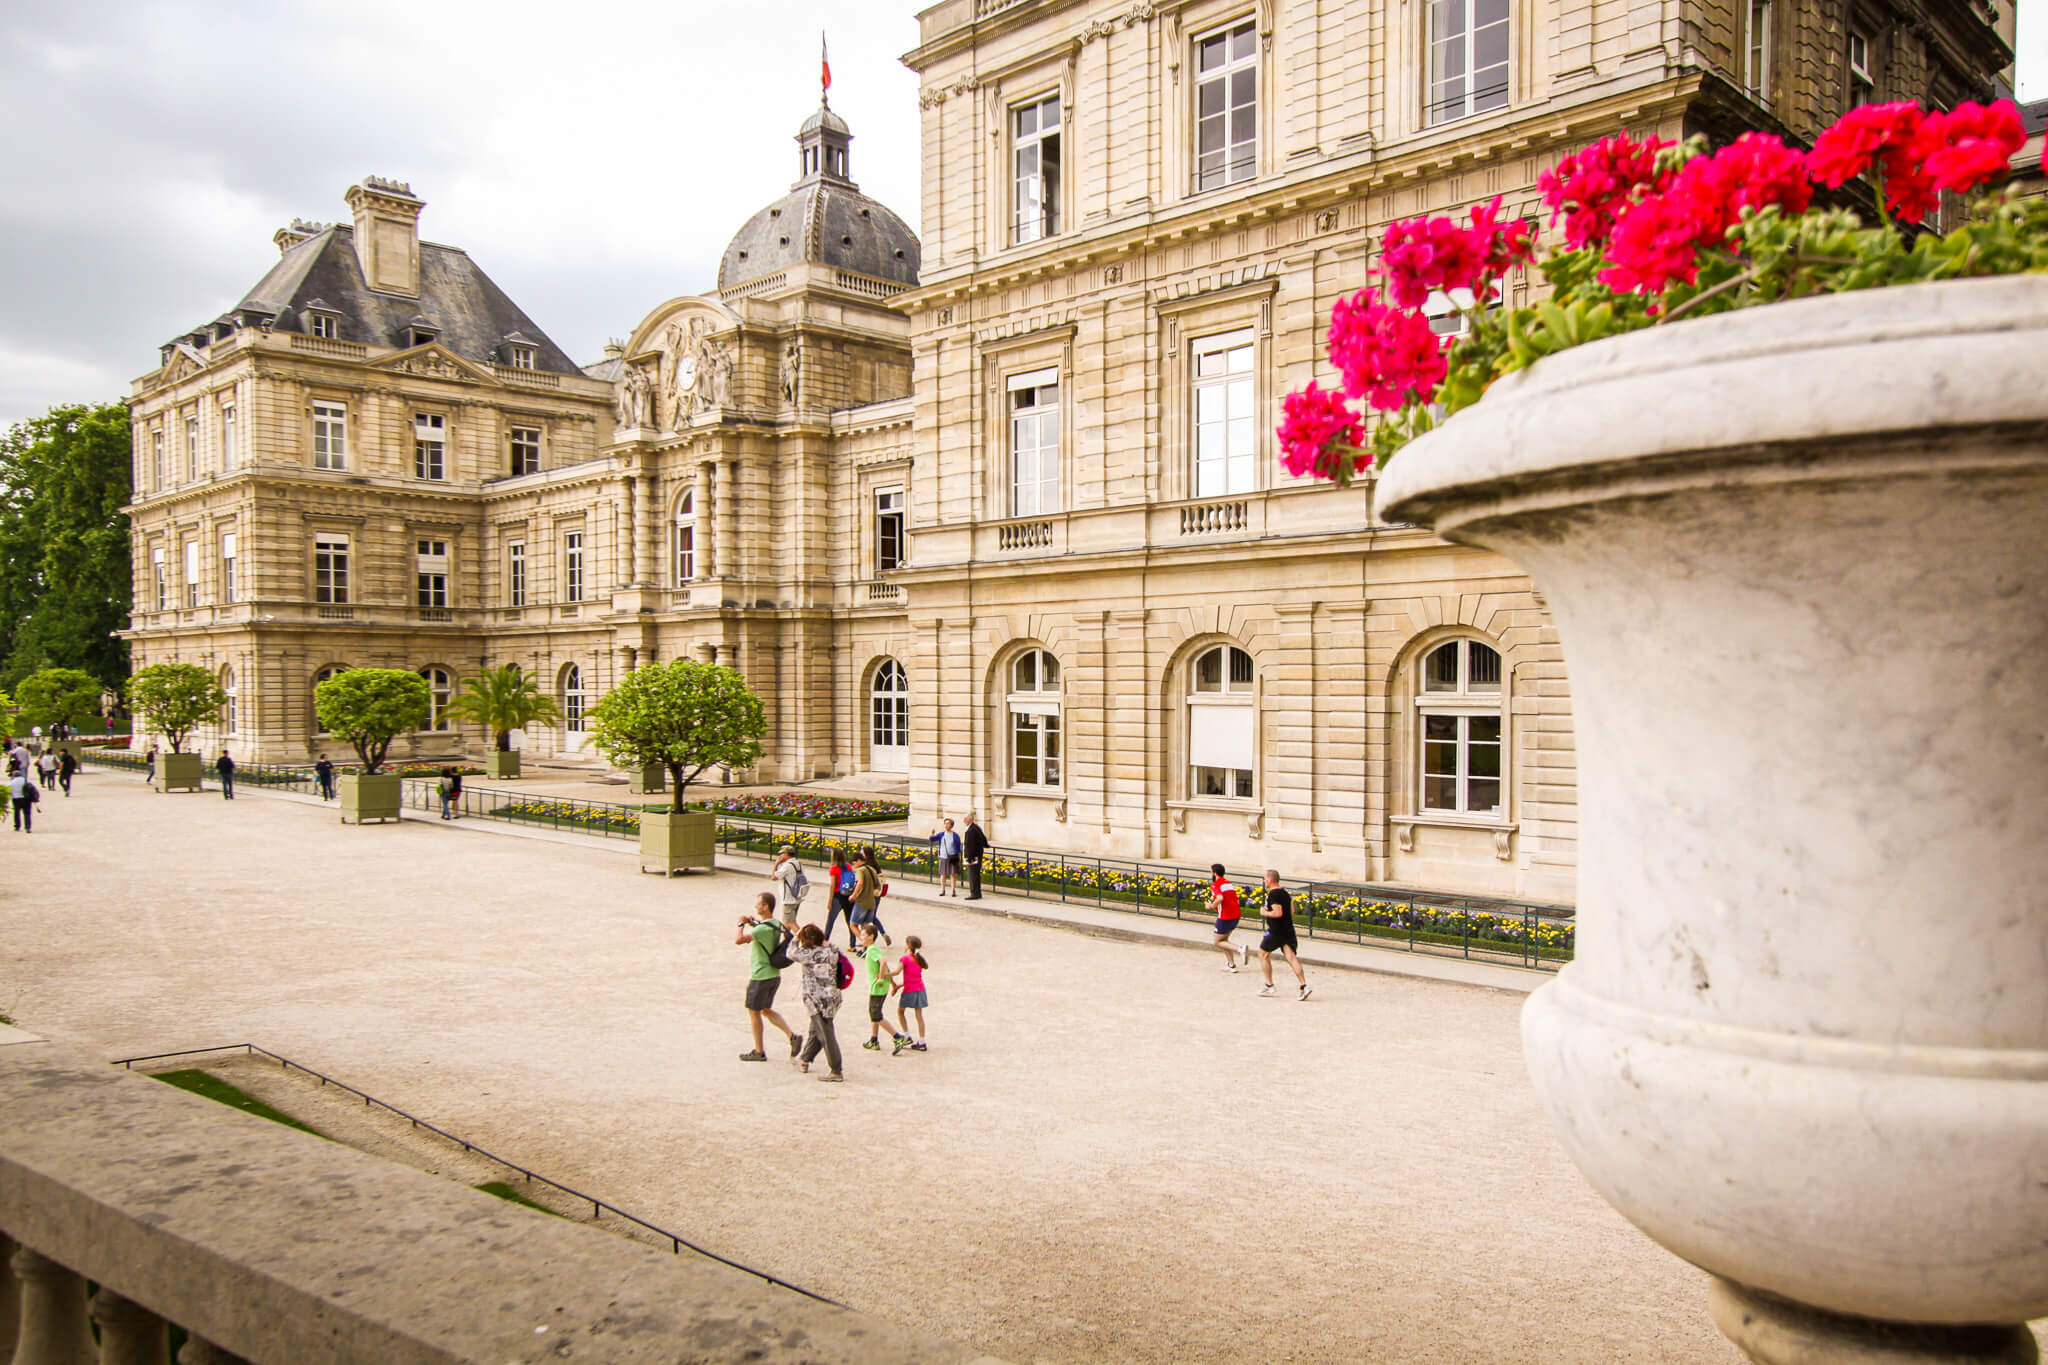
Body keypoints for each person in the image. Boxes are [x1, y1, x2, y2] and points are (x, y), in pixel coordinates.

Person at [736, 892, 802, 1062]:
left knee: (754, 1012)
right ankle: (792, 1036)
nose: (756, 906)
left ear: (765, 907)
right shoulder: (775, 923)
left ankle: (759, 1050)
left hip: (761, 975)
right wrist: (751, 922)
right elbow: (763, 930)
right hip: (774, 975)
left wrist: (740, 924)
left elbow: (739, 939)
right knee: (765, 1010)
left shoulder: (761, 929)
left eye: (758, 904)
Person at [789, 924, 846, 1082]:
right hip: (833, 997)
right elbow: (837, 950)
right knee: (815, 1031)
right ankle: (805, 1059)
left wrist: (795, 937)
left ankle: (836, 1069)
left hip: (816, 999)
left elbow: (791, 953)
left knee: (825, 1034)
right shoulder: (831, 951)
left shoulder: (809, 954)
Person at [1256, 870, 1312, 1000]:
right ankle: (1304, 986)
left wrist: (1264, 913)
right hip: (1288, 930)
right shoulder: (1285, 893)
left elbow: (1277, 913)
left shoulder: (1273, 894)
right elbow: (1291, 910)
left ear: (1270, 880)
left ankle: (1269, 985)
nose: (1264, 881)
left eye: (1265, 879)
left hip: (1277, 931)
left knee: (1262, 954)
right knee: (1291, 957)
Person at [856, 921, 909, 1053]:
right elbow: (885, 966)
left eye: (863, 935)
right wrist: (892, 982)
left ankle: (898, 1037)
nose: (861, 937)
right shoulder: (873, 949)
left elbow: (884, 962)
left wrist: (880, 977)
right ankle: (874, 1040)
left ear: (871, 936)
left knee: (875, 1015)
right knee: (875, 1012)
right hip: (880, 987)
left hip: (877, 987)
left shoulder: (873, 950)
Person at [894, 936, 931, 1053]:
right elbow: (913, 978)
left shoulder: (905, 959)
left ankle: (906, 1035)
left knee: (900, 1012)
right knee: (919, 1015)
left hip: (909, 991)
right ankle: (922, 1041)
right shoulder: (918, 959)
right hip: (920, 990)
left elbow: (897, 972)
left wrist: (884, 974)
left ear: (908, 946)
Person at [1208, 863, 1246, 971]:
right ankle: (1231, 964)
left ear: (1214, 873)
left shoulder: (1216, 884)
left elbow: (1220, 898)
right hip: (1235, 915)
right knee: (1224, 940)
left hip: (1225, 916)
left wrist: (1211, 906)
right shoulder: (1228, 883)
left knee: (1217, 941)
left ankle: (1240, 949)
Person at [851, 847, 890, 947]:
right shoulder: (875, 865)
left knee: (860, 921)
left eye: (862, 853)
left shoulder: (864, 868)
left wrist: (854, 895)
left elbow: (860, 882)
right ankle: (882, 933)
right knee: (871, 918)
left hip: (867, 895)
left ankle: (866, 940)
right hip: (876, 895)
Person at [824, 846, 857, 948]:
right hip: (848, 895)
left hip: (838, 896)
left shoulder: (834, 868)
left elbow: (832, 885)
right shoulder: (848, 866)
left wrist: (830, 900)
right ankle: (852, 944)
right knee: (850, 921)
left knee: (831, 920)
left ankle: (825, 941)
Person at [927, 819, 963, 897]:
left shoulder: (955, 835)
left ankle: (953, 890)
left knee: (952, 874)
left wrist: (958, 856)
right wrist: (932, 833)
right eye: (945, 823)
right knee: (943, 874)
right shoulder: (941, 834)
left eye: (948, 823)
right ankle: (942, 890)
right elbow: (932, 839)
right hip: (943, 857)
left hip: (952, 857)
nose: (946, 825)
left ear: (951, 825)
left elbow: (958, 846)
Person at [770, 846, 804, 925]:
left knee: (790, 923)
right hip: (796, 896)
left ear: (786, 854)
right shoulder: (797, 863)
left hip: (788, 899)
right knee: (787, 924)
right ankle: (786, 937)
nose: (780, 856)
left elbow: (773, 877)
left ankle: (802, 937)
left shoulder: (787, 866)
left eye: (782, 854)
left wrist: (776, 864)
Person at [961, 813, 988, 900]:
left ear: (969, 820)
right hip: (977, 855)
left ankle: (974, 893)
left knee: (972, 875)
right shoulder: (976, 827)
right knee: (976, 875)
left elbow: (970, 846)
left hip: (973, 857)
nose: (964, 821)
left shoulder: (971, 830)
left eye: (965, 819)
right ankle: (977, 892)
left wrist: (969, 858)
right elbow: (984, 839)